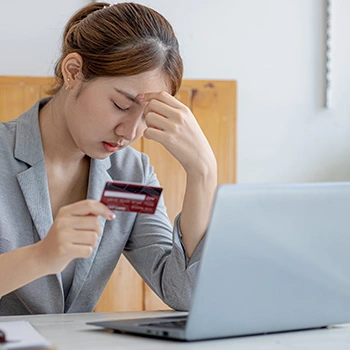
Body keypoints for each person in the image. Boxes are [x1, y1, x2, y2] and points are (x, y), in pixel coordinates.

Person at [0, 2, 217, 315]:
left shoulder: (129, 177)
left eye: (147, 115)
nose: (130, 132)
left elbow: (184, 294)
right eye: (121, 105)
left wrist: (203, 172)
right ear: (73, 72)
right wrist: (41, 256)